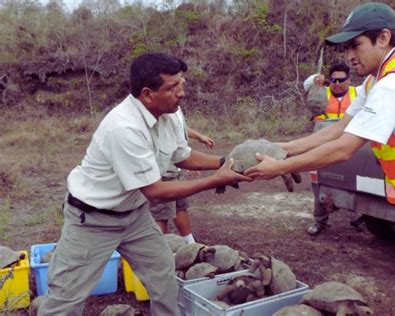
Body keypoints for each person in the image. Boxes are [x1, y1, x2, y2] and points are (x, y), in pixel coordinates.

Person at [245, 3, 395, 315]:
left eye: (356, 45)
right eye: (347, 47)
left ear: (382, 38)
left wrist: (280, 168)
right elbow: (339, 128)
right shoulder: (382, 77)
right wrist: (285, 147)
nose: (350, 55)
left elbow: (344, 148)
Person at [38, 52, 251, 316]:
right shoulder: (124, 127)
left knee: (163, 275)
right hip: (92, 220)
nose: (181, 93)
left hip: (134, 216)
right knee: (66, 298)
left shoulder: (171, 113)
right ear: (148, 94)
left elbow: (181, 156)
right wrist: (216, 181)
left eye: (182, 84)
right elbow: (156, 191)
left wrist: (224, 163)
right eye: (172, 88)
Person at [303, 63, 360, 236]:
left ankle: (363, 215)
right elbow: (307, 84)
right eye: (333, 79)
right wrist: (315, 78)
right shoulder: (322, 90)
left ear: (349, 80)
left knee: (356, 178)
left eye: (341, 80)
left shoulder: (358, 93)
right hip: (321, 140)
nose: (336, 83)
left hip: (349, 140)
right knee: (319, 181)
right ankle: (320, 221)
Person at [152, 104, 215, 243]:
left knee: (180, 206)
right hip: (164, 170)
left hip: (175, 167)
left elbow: (178, 130)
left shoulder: (175, 108)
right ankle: (160, 248)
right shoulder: (160, 107)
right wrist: (183, 160)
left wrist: (199, 137)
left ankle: (190, 242)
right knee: (161, 214)